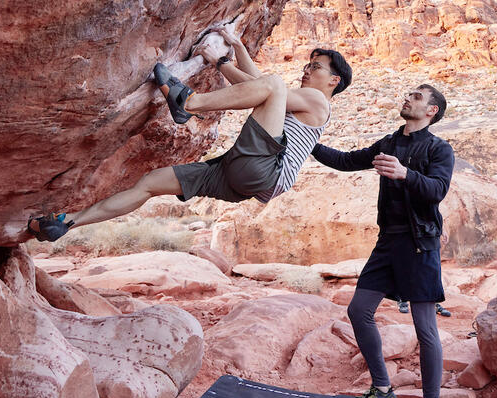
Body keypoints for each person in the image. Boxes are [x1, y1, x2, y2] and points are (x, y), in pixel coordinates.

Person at [27, 27, 352, 241]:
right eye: (308, 64)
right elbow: (257, 86)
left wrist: (229, 54)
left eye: (317, 66)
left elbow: (267, 84)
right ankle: (66, 222)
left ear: (333, 80)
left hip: (265, 170)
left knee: (275, 84)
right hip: (241, 176)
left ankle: (190, 102)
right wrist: (226, 55)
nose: (307, 69)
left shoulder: (318, 101)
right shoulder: (295, 102)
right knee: (150, 183)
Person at [311, 84, 454, 398]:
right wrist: (307, 145)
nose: (407, 97)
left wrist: (406, 174)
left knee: (425, 328)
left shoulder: (439, 149)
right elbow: (347, 160)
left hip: (420, 244)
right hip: (388, 242)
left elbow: (437, 190)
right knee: (359, 310)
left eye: (416, 96)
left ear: (431, 111)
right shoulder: (389, 143)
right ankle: (382, 389)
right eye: (409, 93)